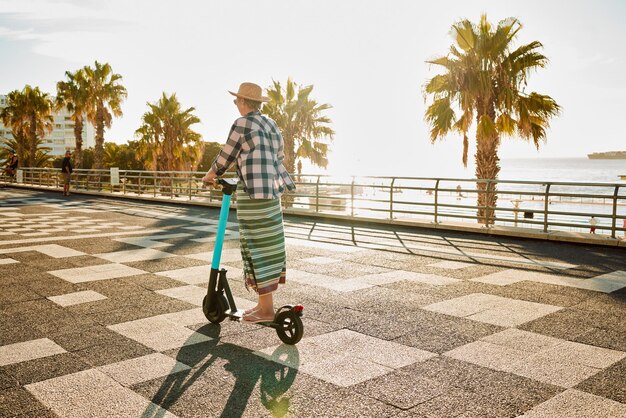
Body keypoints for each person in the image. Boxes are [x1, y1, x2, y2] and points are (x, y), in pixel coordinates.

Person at [202, 82, 295, 323]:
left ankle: (266, 311)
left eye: (236, 101)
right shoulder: (271, 124)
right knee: (270, 246)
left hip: (252, 194)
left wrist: (210, 175)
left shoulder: (241, 124)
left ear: (244, 102)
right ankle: (264, 305)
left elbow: (227, 155)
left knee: (254, 246)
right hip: (273, 192)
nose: (236, 105)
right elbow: (279, 157)